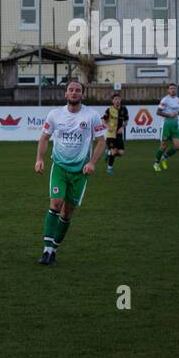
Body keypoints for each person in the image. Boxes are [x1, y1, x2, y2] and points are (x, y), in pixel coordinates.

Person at [34, 79, 106, 266]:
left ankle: (54, 250)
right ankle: (46, 251)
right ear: (65, 94)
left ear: (82, 94)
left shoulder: (92, 116)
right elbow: (44, 138)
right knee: (56, 204)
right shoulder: (55, 114)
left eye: (77, 90)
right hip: (59, 167)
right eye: (71, 90)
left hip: (80, 171)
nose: (74, 93)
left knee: (66, 214)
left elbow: (101, 141)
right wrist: (40, 159)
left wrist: (92, 163)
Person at [153, 82, 179, 172]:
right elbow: (158, 112)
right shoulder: (165, 100)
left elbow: (178, 110)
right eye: (171, 88)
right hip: (166, 124)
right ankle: (156, 163)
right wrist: (168, 115)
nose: (173, 90)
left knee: (178, 146)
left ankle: (164, 158)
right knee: (163, 146)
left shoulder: (177, 99)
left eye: (174, 88)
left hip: (175, 125)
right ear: (168, 90)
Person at [102, 92, 127, 174]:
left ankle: (107, 152)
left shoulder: (124, 109)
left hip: (119, 134)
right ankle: (109, 168)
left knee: (121, 153)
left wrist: (122, 127)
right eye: (115, 99)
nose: (117, 101)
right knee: (114, 151)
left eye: (118, 99)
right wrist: (107, 126)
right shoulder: (109, 110)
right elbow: (104, 120)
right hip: (110, 134)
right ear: (112, 101)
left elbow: (126, 121)